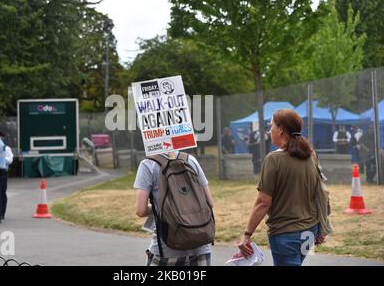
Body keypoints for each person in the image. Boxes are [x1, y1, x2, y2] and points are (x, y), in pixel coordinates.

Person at [237, 109, 331, 266]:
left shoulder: (273, 159)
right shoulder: (310, 154)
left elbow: (263, 202)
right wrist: (322, 227)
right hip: (310, 231)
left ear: (280, 129)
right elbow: (320, 193)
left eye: (271, 126)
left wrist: (247, 235)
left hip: (286, 234)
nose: (269, 130)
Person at [134, 151, 215, 266]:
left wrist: (161, 207)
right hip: (201, 246)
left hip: (167, 248)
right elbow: (210, 203)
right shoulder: (190, 159)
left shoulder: (148, 164)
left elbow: (140, 211)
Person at [0, 132, 14, 220]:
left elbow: (10, 160)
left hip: (3, 171)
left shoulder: (7, 148)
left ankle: (2, 213)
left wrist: (1, 158)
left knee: (2, 193)